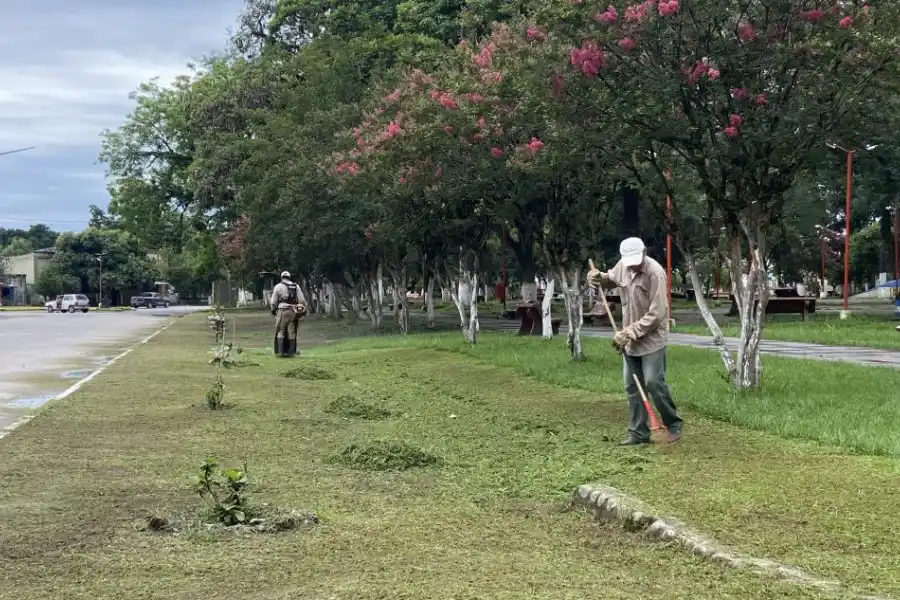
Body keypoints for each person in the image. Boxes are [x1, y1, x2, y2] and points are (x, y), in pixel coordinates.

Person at [587, 237, 683, 445]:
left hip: (651, 339)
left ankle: (673, 422)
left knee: (652, 382)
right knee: (632, 385)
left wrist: (630, 332)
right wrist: (598, 277)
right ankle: (638, 433)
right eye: (629, 262)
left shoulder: (654, 273)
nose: (633, 266)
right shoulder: (623, 266)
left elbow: (657, 313)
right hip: (629, 340)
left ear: (645, 252)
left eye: (636, 261)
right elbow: (609, 278)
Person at [269, 270, 307, 357]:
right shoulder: (296, 286)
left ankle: (281, 351)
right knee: (291, 331)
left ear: (282, 278)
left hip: (282, 311)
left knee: (281, 330)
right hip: (293, 311)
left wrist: (273, 311)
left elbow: (273, 302)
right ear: (289, 277)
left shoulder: (278, 287)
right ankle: (291, 352)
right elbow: (302, 300)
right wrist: (300, 310)